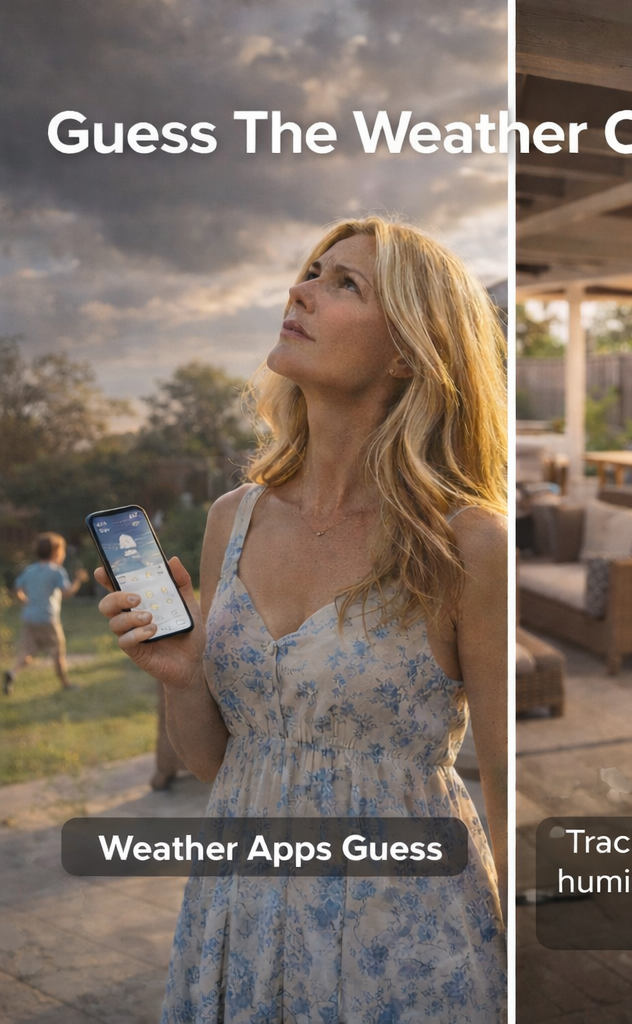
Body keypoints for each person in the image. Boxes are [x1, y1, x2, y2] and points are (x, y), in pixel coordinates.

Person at [97, 216, 508, 1022]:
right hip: (239, 918)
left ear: (406, 350)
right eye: (311, 271)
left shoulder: (467, 542)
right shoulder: (234, 518)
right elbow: (225, 766)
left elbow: (513, 779)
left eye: (343, 282)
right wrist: (184, 681)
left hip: (403, 934)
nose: (301, 290)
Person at [5, 532, 88, 694]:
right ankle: (66, 684)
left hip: (30, 617)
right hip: (48, 619)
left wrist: (24, 601)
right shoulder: (56, 571)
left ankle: (12, 672)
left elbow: (17, 588)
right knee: (57, 652)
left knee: (28, 651)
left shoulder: (30, 570)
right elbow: (67, 592)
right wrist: (78, 579)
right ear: (56, 552)